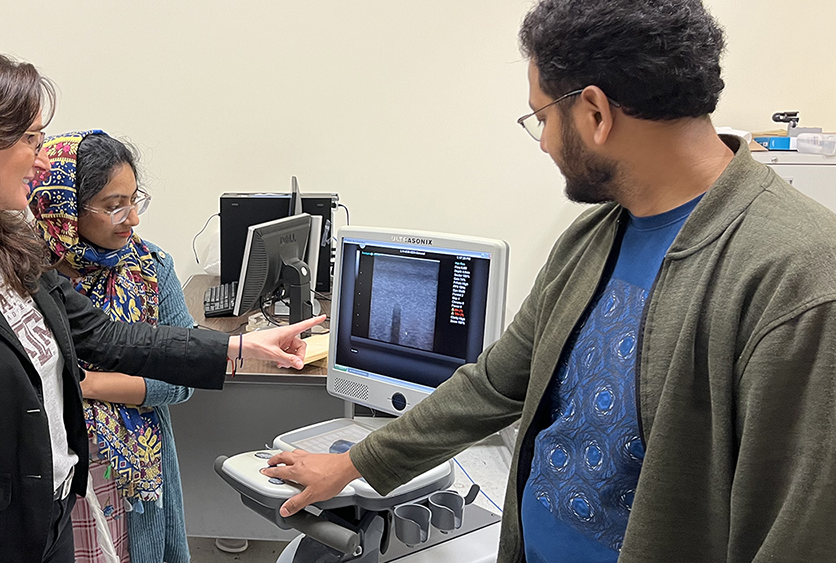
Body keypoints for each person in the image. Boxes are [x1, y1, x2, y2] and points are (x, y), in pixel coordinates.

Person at [263, 1, 836, 562]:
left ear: (594, 113)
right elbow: (494, 384)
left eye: (541, 117)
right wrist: (359, 462)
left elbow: (798, 533)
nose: (540, 141)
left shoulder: (798, 276)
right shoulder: (592, 238)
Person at [0, 49, 322, 563]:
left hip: (52, 516)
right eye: (29, 139)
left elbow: (107, 338)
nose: (43, 159)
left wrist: (240, 345)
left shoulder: (8, 246)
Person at [29, 130, 197, 563]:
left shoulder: (151, 268)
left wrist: (84, 384)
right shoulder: (22, 275)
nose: (132, 218)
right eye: (113, 205)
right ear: (64, 207)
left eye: (134, 199)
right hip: (50, 474)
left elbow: (181, 379)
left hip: (130, 479)